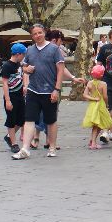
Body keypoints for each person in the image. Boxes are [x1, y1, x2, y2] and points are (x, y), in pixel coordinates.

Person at [13, 23, 65, 159]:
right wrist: (27, 69)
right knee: (29, 119)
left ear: (44, 33)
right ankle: (25, 149)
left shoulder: (54, 49)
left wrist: (57, 89)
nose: (37, 35)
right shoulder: (30, 50)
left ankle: (52, 147)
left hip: (49, 91)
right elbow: (24, 67)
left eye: (39, 33)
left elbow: (60, 70)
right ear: (32, 36)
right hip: (33, 90)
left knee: (51, 120)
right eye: (35, 34)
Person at [0, 43, 27, 154]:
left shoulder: (18, 64)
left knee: (22, 119)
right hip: (11, 96)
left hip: (20, 96)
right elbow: (5, 83)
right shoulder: (7, 66)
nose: (24, 56)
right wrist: (7, 100)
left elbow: (22, 75)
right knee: (11, 119)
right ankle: (14, 143)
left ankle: (8, 136)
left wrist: (24, 86)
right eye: (23, 54)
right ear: (18, 54)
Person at [81, 64, 112, 150]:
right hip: (100, 105)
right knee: (97, 125)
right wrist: (106, 104)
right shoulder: (103, 84)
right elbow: (105, 96)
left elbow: (85, 95)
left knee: (98, 124)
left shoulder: (90, 83)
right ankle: (93, 143)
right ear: (102, 75)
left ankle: (92, 140)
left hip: (92, 106)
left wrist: (93, 98)